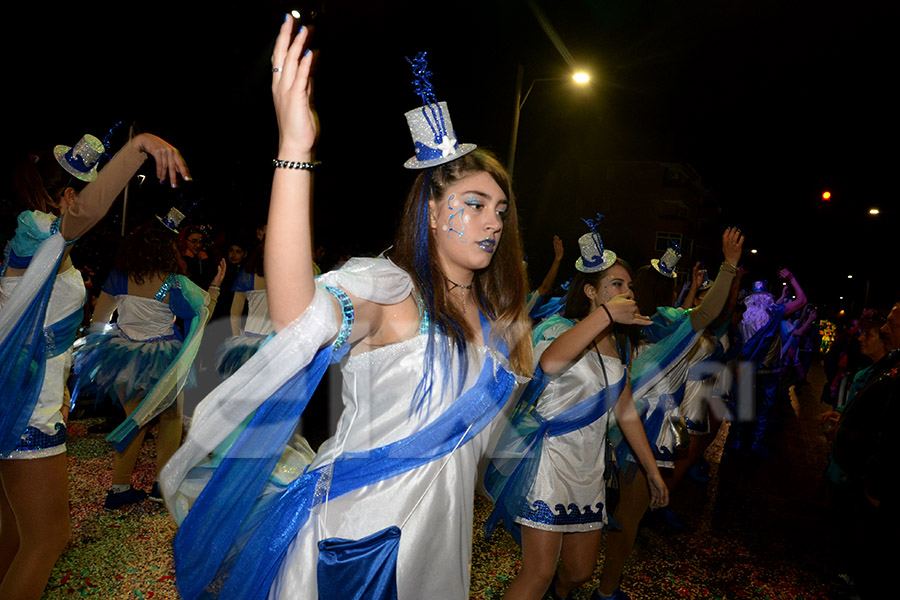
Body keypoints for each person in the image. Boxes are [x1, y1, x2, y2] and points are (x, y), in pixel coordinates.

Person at [160, 19, 533, 600]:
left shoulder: (491, 313)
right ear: (431, 212)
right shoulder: (390, 290)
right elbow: (294, 318)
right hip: (362, 544)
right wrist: (293, 151)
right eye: (476, 203)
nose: (493, 222)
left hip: (440, 542)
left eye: (502, 210)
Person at [0, 132, 189, 600]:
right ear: (66, 195)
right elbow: (83, 215)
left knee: (17, 533)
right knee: (47, 539)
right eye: (77, 193)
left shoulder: (37, 246)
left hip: (28, 398)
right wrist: (138, 146)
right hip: (25, 411)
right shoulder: (37, 230)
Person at [486, 230, 666, 600]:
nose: (626, 292)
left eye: (628, 285)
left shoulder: (621, 345)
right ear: (590, 292)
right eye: (615, 284)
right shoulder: (559, 328)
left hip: (590, 469)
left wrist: (651, 471)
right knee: (537, 573)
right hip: (550, 464)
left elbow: (627, 411)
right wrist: (604, 316)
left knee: (580, 572)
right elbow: (550, 362)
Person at [597, 228, 742, 598]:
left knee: (603, 510)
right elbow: (710, 312)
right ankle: (606, 589)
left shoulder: (624, 319)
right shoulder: (668, 321)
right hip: (650, 425)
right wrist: (729, 266)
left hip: (613, 420)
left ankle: (575, 576)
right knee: (628, 518)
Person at [71, 216, 221, 508]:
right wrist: (214, 289)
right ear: (168, 251)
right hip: (163, 359)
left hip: (123, 356)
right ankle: (162, 486)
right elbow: (201, 316)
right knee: (171, 418)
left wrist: (101, 350)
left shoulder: (119, 276)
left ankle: (119, 487)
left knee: (133, 421)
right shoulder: (172, 284)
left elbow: (99, 321)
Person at [829, 303, 900, 599]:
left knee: (873, 549)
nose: (884, 329)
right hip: (862, 476)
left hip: (875, 485)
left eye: (892, 324)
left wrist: (875, 484)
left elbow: (889, 431)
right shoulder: (890, 368)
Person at [731, 268, 807, 457]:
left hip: (745, 369)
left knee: (742, 406)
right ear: (767, 297)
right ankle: (757, 442)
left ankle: (739, 440)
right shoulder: (775, 312)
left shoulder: (742, 313)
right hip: (769, 370)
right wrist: (792, 278)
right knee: (764, 408)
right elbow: (802, 301)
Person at [215, 240, 273, 378]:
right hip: (273, 342)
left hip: (250, 340)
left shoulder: (247, 277)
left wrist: (236, 338)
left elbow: (235, 313)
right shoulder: (286, 280)